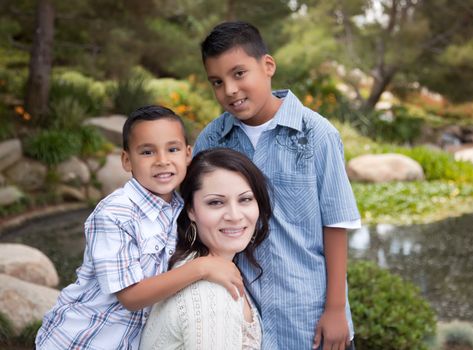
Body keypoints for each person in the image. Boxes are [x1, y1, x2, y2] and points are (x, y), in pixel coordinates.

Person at [194, 21, 362, 349]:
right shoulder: (212, 140)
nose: (229, 90)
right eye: (217, 81)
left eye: (239, 73)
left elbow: (336, 223)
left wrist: (335, 309)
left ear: (268, 66)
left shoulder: (316, 135)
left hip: (309, 318)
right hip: (242, 323)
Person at [36, 106, 244, 349]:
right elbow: (131, 297)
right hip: (82, 340)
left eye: (173, 149)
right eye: (147, 152)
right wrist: (202, 267)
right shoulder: (115, 214)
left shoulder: (181, 208)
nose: (162, 161)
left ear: (188, 154)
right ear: (126, 160)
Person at [139, 147, 271, 349]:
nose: (234, 216)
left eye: (245, 199)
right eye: (216, 202)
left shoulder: (201, 265)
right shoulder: (211, 296)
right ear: (191, 210)